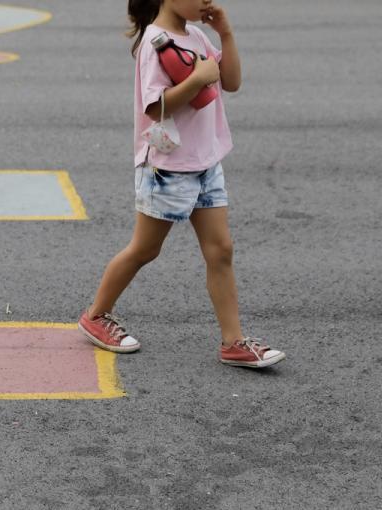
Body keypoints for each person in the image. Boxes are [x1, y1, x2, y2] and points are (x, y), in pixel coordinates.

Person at [77, 0, 285, 368]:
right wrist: (198, 79)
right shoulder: (155, 43)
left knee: (221, 250)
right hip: (168, 168)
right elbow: (155, 108)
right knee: (144, 249)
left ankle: (233, 342)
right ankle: (95, 316)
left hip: (206, 163)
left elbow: (232, 82)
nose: (207, 0)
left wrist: (226, 33)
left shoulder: (197, 36)